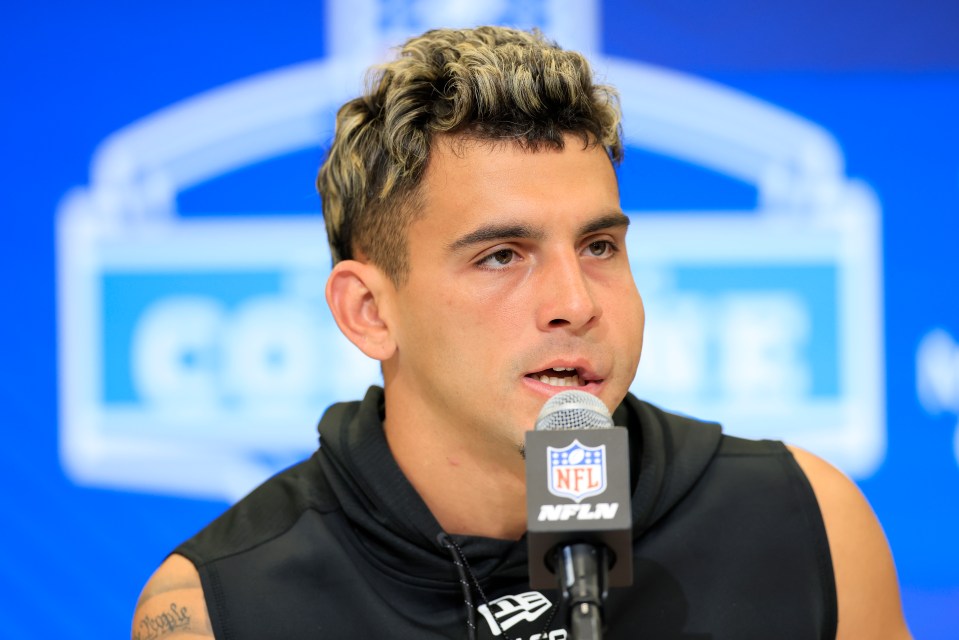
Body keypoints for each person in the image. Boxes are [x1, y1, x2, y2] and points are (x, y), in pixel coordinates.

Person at [132, 26, 911, 639]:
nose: (574, 302)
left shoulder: (801, 518)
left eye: (599, 246)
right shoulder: (220, 608)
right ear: (368, 312)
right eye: (502, 256)